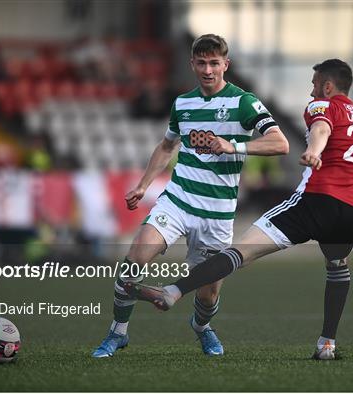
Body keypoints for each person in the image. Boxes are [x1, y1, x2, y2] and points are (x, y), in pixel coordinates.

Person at [124, 58, 353, 360]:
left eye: (315, 84)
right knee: (337, 267)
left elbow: (321, 129)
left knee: (240, 252)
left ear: (328, 86)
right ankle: (327, 343)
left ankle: (174, 290)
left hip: (316, 201)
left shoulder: (325, 106)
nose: (311, 91)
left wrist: (314, 152)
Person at [92, 34, 289, 358]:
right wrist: (144, 184)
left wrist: (234, 145)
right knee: (136, 257)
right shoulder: (183, 103)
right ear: (192, 64)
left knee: (208, 295)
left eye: (214, 63)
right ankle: (118, 332)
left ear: (226, 64)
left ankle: (201, 327)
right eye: (202, 63)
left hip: (218, 212)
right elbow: (168, 145)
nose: (208, 70)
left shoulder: (244, 102)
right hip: (179, 199)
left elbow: (280, 143)